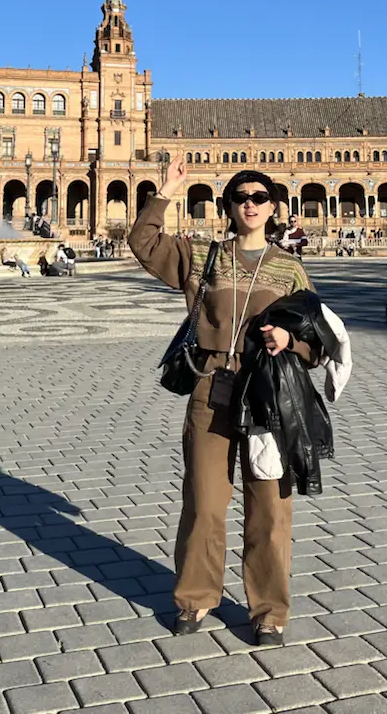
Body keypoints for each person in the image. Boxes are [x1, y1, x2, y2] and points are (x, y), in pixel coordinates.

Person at [129, 155, 322, 648]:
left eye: (260, 197)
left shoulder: (290, 268)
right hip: (210, 387)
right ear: (228, 207)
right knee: (205, 502)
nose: (251, 204)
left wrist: (290, 340)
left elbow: (316, 338)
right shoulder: (203, 257)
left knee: (270, 506)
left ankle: (269, 611)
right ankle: (195, 599)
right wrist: (166, 191)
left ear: (273, 207)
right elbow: (143, 244)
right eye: (241, 197)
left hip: (267, 394)